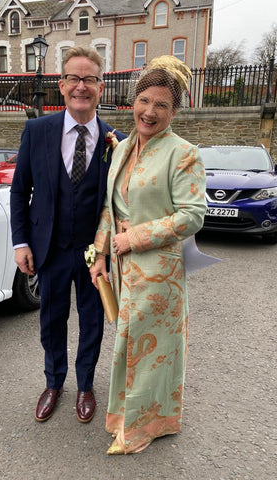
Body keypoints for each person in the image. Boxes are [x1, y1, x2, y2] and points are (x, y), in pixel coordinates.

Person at [90, 56, 207, 454]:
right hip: (122, 269)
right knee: (128, 343)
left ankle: (142, 428)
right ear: (133, 101)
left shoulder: (184, 153)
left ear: (174, 111)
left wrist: (134, 239)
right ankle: (129, 416)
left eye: (161, 105)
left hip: (160, 274)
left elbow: (192, 215)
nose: (150, 111)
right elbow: (110, 206)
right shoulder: (121, 148)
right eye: (144, 100)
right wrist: (101, 255)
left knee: (153, 350)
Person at [10, 46, 126, 424]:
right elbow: (19, 190)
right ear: (61, 86)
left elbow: (123, 200)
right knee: (51, 320)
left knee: (92, 322)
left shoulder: (117, 141)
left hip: (95, 252)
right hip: (50, 248)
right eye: (74, 78)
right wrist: (21, 242)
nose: (81, 86)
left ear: (101, 87)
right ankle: (53, 382)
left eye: (89, 79)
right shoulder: (37, 130)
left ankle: (86, 385)